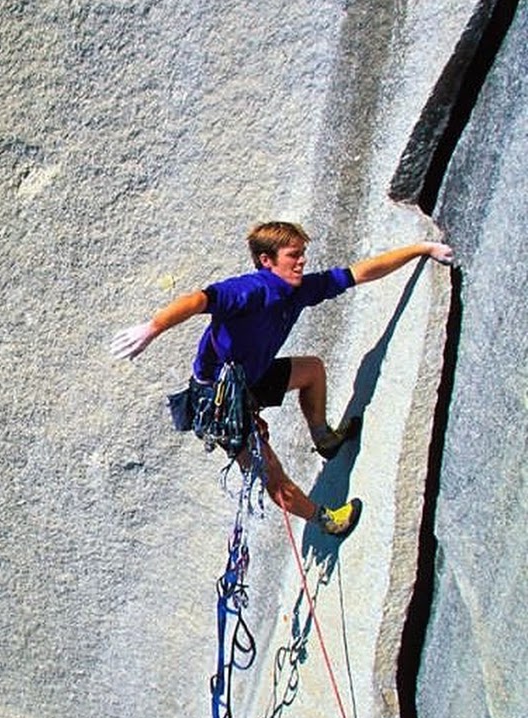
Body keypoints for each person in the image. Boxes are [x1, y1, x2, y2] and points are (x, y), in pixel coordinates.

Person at [111, 221, 454, 538]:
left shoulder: (300, 289)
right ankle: (326, 520)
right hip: (220, 400)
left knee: (312, 371)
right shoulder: (249, 290)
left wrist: (421, 249)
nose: (302, 262)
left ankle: (325, 439)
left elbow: (360, 273)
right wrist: (152, 328)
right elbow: (199, 299)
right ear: (266, 260)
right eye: (294, 255)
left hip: (250, 377)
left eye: (302, 254)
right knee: (268, 469)